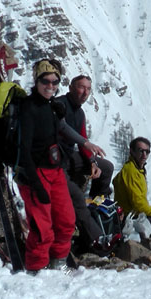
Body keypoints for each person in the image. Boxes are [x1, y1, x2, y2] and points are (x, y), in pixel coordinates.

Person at [15, 59, 76, 272]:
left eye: (55, 81)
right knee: (42, 229)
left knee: (67, 221)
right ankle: (36, 271)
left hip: (55, 171)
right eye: (45, 81)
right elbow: (24, 151)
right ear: (36, 80)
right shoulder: (28, 109)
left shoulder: (51, 106)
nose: (51, 85)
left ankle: (58, 264)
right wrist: (35, 184)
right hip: (36, 174)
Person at [57, 74, 116, 252]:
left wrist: (91, 161)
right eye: (81, 87)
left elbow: (81, 138)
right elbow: (66, 131)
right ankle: (98, 240)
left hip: (70, 156)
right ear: (71, 88)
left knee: (106, 167)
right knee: (75, 197)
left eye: (88, 89)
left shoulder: (80, 112)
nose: (85, 92)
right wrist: (86, 145)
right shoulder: (60, 105)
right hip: (57, 160)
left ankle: (96, 206)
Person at [113, 137, 151, 251]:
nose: (144, 154)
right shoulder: (131, 171)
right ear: (132, 151)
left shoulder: (136, 169)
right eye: (140, 151)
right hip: (129, 220)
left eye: (147, 151)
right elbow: (138, 204)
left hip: (131, 215)